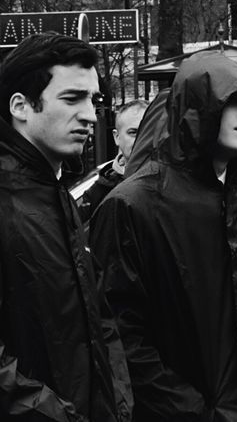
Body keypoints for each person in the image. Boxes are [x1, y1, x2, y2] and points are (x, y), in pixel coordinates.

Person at [91, 51, 237, 422]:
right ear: (196, 110)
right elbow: (123, 336)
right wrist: (196, 412)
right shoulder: (133, 206)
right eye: (234, 101)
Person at [0, 33, 133, 421]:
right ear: (21, 106)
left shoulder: (55, 195)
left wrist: (119, 408)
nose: (91, 115)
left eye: (93, 100)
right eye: (72, 98)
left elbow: (99, 323)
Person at [77, 96, 148, 219]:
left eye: (148, 132)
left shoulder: (174, 186)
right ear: (116, 137)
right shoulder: (97, 193)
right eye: (133, 132)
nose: (141, 139)